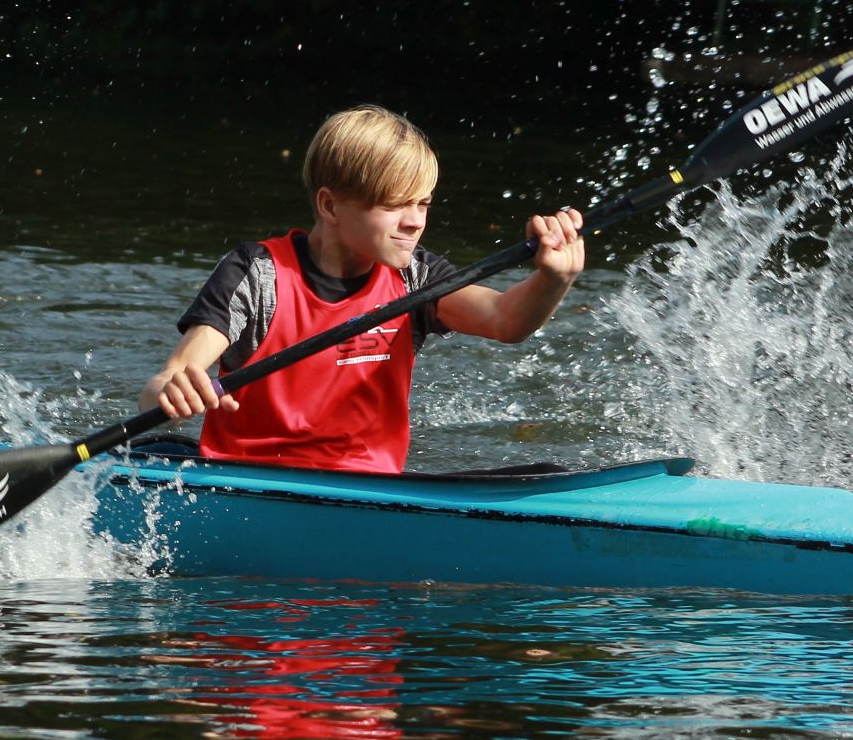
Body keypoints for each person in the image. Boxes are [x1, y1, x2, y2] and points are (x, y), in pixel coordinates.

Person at [141, 105, 586, 473]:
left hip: (369, 486)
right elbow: (169, 377)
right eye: (394, 204)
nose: (414, 221)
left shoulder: (416, 277)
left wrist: (553, 279)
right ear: (330, 205)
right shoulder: (259, 274)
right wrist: (173, 388)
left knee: (550, 475)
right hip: (248, 479)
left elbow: (505, 320)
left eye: (423, 203)